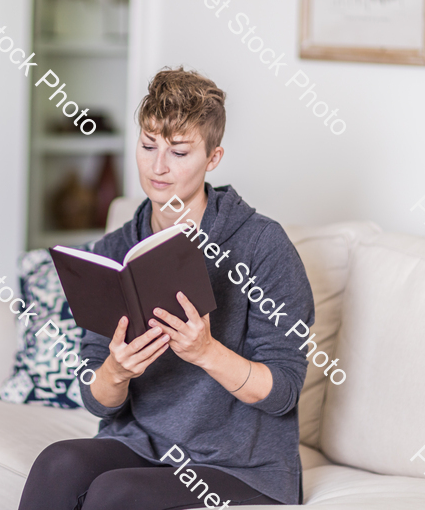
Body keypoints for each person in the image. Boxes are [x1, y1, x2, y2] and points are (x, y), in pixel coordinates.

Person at [18, 67, 315, 510]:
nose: (158, 167)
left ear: (213, 158)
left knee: (116, 494)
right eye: (147, 146)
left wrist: (206, 352)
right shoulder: (116, 248)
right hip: (143, 445)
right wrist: (117, 372)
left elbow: (283, 392)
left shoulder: (261, 245)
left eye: (178, 152)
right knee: (56, 462)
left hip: (242, 467)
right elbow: (97, 400)